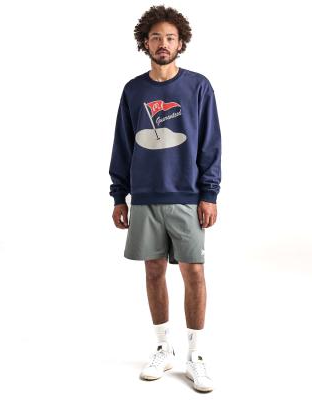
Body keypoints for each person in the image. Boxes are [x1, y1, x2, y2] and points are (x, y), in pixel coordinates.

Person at [108, 5, 221, 393]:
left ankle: (195, 354)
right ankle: (163, 348)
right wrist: (119, 195)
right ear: (145, 42)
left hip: (187, 196)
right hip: (144, 197)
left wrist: (209, 193)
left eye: (170, 37)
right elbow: (123, 145)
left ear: (181, 43)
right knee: (153, 270)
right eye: (156, 37)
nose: (163, 43)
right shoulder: (133, 90)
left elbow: (210, 144)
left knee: (194, 272)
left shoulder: (198, 86)